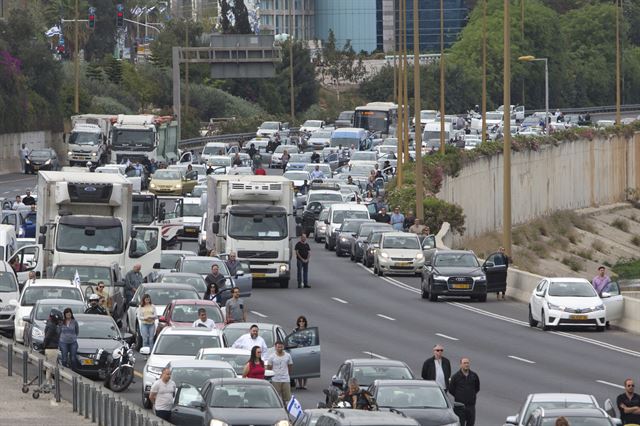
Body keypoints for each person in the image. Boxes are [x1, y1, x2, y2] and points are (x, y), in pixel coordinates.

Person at [449, 358, 480, 426]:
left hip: (471, 406)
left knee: (471, 423)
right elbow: (451, 389)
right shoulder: (455, 377)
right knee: (460, 424)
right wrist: (459, 396)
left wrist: (471, 396)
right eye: (464, 363)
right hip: (459, 406)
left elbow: (477, 388)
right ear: (461, 365)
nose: (466, 364)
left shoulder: (474, 376)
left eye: (467, 363)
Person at [43, 308, 62, 388]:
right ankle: (48, 383)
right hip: (52, 349)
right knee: (50, 368)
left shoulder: (50, 324)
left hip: (50, 348)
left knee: (49, 367)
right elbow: (47, 337)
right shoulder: (52, 326)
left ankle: (50, 383)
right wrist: (44, 345)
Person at [293, 316, 309, 389]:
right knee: (299, 368)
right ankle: (300, 384)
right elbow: (292, 339)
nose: (301, 322)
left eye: (303, 321)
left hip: (305, 351)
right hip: (297, 351)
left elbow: (310, 341)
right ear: (298, 322)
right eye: (300, 321)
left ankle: (305, 384)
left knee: (305, 368)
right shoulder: (295, 330)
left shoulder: (308, 331)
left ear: (305, 322)